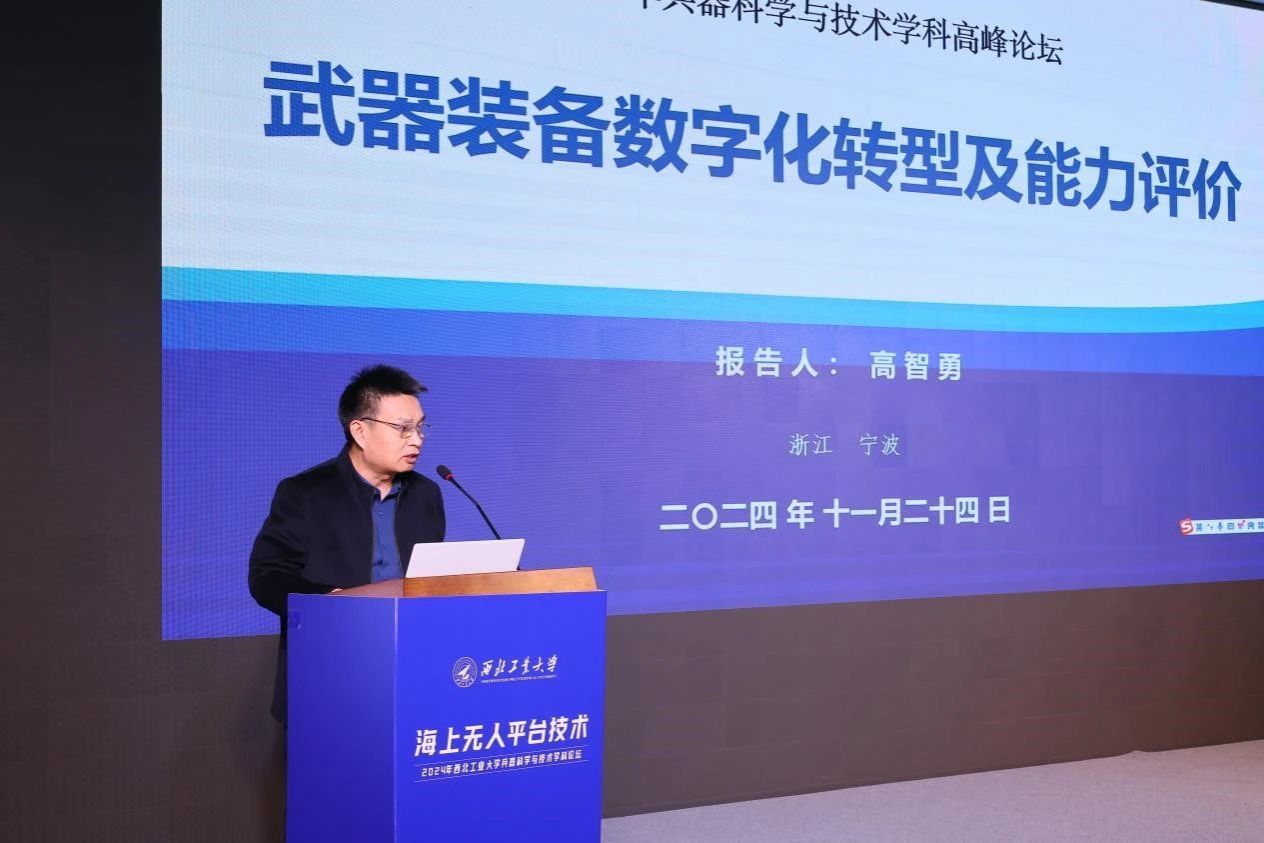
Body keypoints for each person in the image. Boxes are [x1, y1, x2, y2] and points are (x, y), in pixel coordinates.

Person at [248, 364, 446, 722]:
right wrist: (330, 600)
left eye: (420, 427)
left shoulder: (426, 494)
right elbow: (267, 577)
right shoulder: (305, 493)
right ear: (360, 431)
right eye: (403, 428)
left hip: (412, 671)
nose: (417, 439)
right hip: (328, 672)